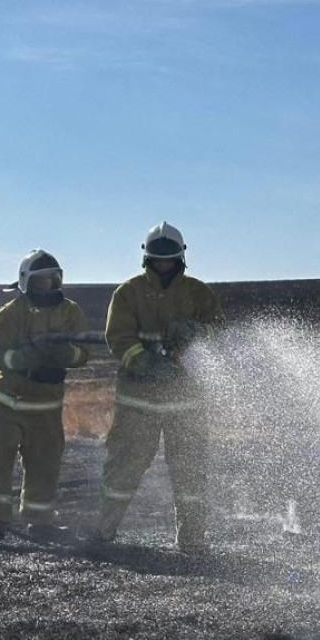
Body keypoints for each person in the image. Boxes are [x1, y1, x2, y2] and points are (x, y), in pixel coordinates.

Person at [92, 222, 222, 554]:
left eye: (169, 259)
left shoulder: (198, 293)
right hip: (139, 399)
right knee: (125, 464)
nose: (163, 265)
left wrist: (195, 332)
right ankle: (105, 531)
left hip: (186, 400)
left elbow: (217, 332)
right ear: (147, 259)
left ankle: (192, 541)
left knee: (190, 471)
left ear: (180, 258)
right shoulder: (128, 293)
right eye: (157, 259)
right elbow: (118, 338)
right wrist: (145, 362)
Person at [0, 250, 90, 544]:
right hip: (7, 401)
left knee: (44, 461)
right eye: (41, 280)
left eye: (53, 278)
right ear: (27, 282)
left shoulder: (70, 312)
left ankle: (40, 522)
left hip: (46, 403)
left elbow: (83, 352)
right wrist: (26, 356)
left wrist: (63, 353)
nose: (48, 284)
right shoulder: (11, 312)